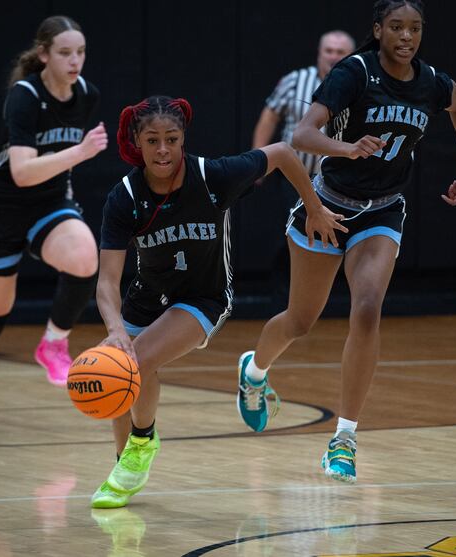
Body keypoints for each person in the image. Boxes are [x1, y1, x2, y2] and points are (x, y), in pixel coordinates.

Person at [236, 0, 456, 484]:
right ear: (378, 30)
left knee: (367, 307)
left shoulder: (431, 81)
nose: (406, 36)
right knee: (300, 321)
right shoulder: (355, 73)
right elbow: (303, 134)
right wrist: (347, 147)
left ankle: (343, 440)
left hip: (384, 209)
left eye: (415, 28)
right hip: (327, 204)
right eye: (396, 27)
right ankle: (255, 371)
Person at [90, 95, 346, 508]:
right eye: (152, 140)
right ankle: (126, 463)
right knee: (123, 369)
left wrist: (314, 208)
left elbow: (282, 152)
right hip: (144, 300)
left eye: (171, 139)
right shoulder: (123, 197)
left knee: (135, 363)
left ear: (183, 139)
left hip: (203, 298)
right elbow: (106, 283)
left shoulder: (213, 176)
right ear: (137, 142)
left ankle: (141, 445)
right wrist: (115, 329)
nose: (162, 150)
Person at [0, 15, 107, 424]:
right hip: (0, 210)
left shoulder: (87, 94)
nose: (75, 61)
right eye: (65, 53)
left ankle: (54, 343)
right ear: (43, 55)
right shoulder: (25, 96)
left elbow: (52, 172)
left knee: (86, 256)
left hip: (49, 204)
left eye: (81, 52)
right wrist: (79, 153)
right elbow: (21, 172)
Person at [252, 30, 355, 298]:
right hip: (295, 174)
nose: (333, 57)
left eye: (340, 52)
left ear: (351, 55)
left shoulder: (359, 84)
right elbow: (270, 116)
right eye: (328, 51)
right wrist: (258, 159)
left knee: (339, 232)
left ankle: (330, 293)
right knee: (293, 229)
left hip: (339, 180)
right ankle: (283, 290)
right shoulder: (295, 81)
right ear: (319, 54)